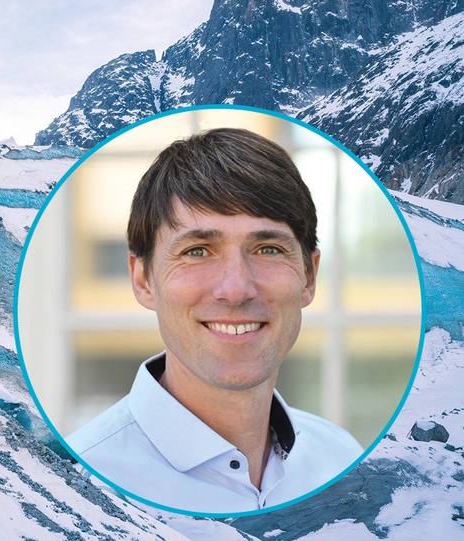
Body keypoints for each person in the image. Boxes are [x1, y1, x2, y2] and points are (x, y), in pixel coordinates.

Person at [67, 128, 363, 513]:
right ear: (143, 281)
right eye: (198, 251)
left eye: (268, 249)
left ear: (308, 277)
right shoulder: (75, 485)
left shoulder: (344, 461)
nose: (236, 289)